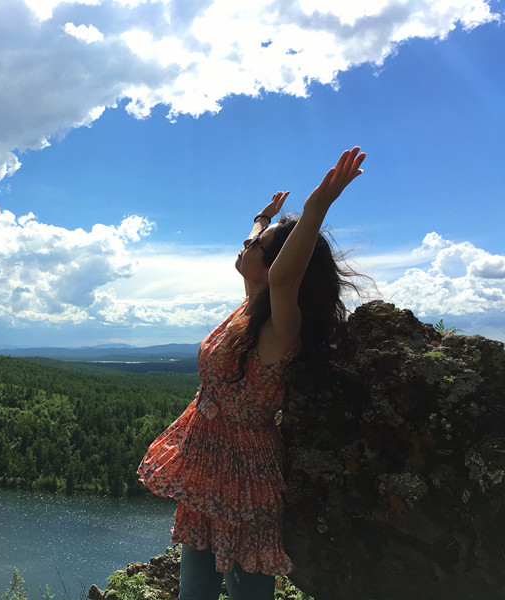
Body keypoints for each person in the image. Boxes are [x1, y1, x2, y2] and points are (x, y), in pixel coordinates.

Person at [137, 147, 367, 600]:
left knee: (248, 592)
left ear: (276, 265)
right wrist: (261, 220)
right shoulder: (251, 304)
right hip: (206, 464)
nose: (246, 247)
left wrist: (315, 210)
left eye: (258, 246)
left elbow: (284, 278)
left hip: (244, 473)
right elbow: (254, 258)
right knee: (194, 589)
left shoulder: (281, 326)